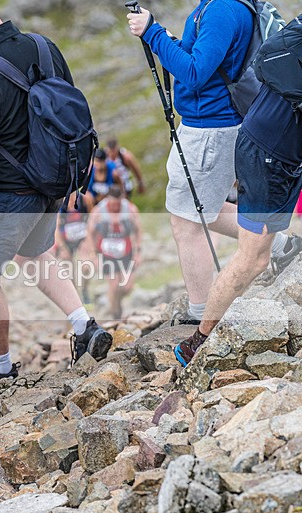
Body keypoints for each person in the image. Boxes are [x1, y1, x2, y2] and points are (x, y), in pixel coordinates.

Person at [0, 0, 113, 397]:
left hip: (8, 192)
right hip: (53, 183)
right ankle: (85, 326)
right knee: (34, 256)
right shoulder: (43, 46)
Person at [127, 2, 301, 325]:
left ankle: (200, 314)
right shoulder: (220, 6)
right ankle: (279, 245)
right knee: (211, 207)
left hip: (209, 129)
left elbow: (194, 74)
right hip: (215, 124)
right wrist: (170, 41)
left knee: (186, 222)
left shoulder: (221, 9)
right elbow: (204, 60)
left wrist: (151, 32)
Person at [174, 84, 302, 366]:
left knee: (257, 250)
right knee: (253, 259)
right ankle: (198, 341)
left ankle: (285, 248)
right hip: (271, 155)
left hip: (273, 146)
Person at [87, 185, 142, 319]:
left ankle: (118, 305)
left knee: (127, 287)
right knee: (114, 285)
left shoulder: (130, 209)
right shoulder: (98, 211)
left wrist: (138, 252)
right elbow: (90, 233)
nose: (115, 207)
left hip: (126, 251)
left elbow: (138, 230)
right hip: (106, 253)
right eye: (112, 204)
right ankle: (115, 314)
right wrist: (93, 255)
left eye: (117, 204)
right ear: (108, 200)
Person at [55, 190, 94, 304]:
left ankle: (85, 289)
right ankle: (75, 298)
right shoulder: (60, 202)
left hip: (82, 237)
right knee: (67, 269)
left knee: (86, 267)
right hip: (65, 239)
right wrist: (62, 247)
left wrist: (89, 241)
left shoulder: (85, 199)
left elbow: (92, 220)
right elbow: (56, 227)